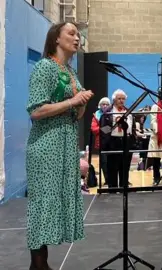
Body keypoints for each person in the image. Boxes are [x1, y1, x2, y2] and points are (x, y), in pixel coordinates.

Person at [25, 22, 94, 269]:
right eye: (71, 33)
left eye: (78, 35)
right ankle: (38, 263)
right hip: (45, 146)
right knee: (42, 202)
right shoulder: (44, 67)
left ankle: (41, 263)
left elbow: (74, 116)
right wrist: (73, 100)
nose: (77, 38)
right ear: (56, 38)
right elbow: (36, 110)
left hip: (65, 144)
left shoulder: (71, 73)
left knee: (55, 201)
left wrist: (82, 104)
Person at [90, 97, 110, 183]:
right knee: (104, 162)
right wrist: (105, 129)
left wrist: (103, 129)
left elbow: (113, 127)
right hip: (101, 142)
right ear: (100, 105)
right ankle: (107, 180)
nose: (105, 106)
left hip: (112, 142)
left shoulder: (112, 113)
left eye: (107, 104)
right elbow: (94, 129)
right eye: (103, 104)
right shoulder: (96, 115)